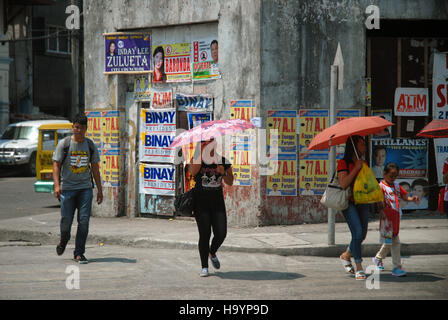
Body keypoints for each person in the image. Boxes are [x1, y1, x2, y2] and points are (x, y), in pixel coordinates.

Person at [53, 113, 103, 264]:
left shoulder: (90, 145)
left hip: (85, 189)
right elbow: (56, 165)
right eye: (76, 127)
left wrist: (100, 190)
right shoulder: (65, 144)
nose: (78, 130)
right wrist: (57, 185)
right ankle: (64, 239)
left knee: (84, 221)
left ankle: (79, 253)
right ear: (72, 127)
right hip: (67, 189)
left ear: (86, 129)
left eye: (81, 128)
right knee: (66, 220)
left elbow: (95, 169)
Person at [188, 138, 234, 277]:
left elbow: (230, 182)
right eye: (205, 142)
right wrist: (200, 152)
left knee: (221, 233)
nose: (209, 144)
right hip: (201, 203)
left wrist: (223, 172)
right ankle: (204, 266)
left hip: (217, 202)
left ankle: (212, 251)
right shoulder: (196, 159)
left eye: (211, 141)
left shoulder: (223, 160)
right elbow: (193, 172)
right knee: (205, 234)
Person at [372, 162, 419, 277]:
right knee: (393, 242)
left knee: (391, 242)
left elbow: (404, 196)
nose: (393, 178)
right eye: (391, 176)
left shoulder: (397, 186)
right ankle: (396, 267)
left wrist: (412, 198)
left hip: (396, 218)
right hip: (387, 220)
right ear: (384, 173)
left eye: (395, 176)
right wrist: (381, 212)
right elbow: (378, 202)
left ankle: (378, 258)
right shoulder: (381, 186)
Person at [337, 135, 371, 280]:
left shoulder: (364, 163)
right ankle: (358, 266)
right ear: (354, 147)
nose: (365, 147)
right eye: (362, 144)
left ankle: (346, 255)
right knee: (357, 232)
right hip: (349, 202)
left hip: (363, 201)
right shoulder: (343, 163)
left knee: (362, 235)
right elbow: (343, 184)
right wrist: (356, 168)